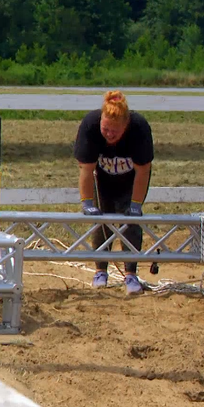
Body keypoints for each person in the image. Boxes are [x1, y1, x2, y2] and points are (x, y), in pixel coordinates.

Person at [74, 90, 154, 295]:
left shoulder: (139, 128)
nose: (109, 135)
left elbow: (143, 170)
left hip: (132, 180)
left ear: (126, 126)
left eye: (115, 132)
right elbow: (86, 169)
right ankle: (100, 271)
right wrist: (87, 203)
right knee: (101, 221)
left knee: (131, 224)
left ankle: (131, 274)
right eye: (106, 129)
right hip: (102, 179)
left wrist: (136, 204)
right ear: (100, 120)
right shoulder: (90, 125)